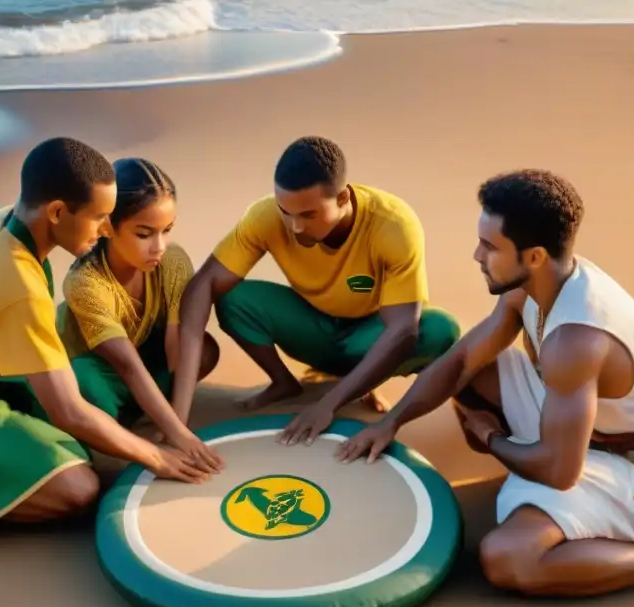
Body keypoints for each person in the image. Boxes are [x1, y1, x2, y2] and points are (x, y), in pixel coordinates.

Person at [337, 169, 634, 607]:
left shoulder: (575, 341)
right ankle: (541, 470)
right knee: (468, 370)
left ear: (533, 255)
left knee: (508, 560)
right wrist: (391, 423)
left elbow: (561, 472)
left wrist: (491, 440)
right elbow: (461, 360)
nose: (477, 256)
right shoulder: (537, 284)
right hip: (593, 431)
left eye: (489, 246)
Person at [0, 138, 216, 563]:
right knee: (79, 488)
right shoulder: (17, 284)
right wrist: (157, 455)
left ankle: (3, 455)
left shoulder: (3, 223)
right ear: (56, 212)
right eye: (100, 218)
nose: (106, 229)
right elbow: (67, 410)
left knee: (95, 416)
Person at [171, 135, 461, 447]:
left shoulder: (392, 225)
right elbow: (205, 283)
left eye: (308, 215)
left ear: (342, 199)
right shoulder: (265, 216)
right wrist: (179, 415)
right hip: (314, 329)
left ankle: (363, 384)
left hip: (369, 337)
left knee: (440, 329)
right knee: (231, 297)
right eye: (286, 211)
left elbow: (403, 331)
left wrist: (327, 405)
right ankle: (284, 383)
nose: (295, 227)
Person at [55, 157, 223, 470]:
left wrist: (179, 426)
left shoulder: (171, 262)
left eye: (167, 230)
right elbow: (127, 366)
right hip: (93, 372)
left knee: (204, 350)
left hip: (138, 362)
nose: (159, 246)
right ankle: (114, 425)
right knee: (84, 386)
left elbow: (180, 347)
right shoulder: (84, 282)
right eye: (144, 234)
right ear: (107, 227)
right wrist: (176, 435)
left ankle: (135, 413)